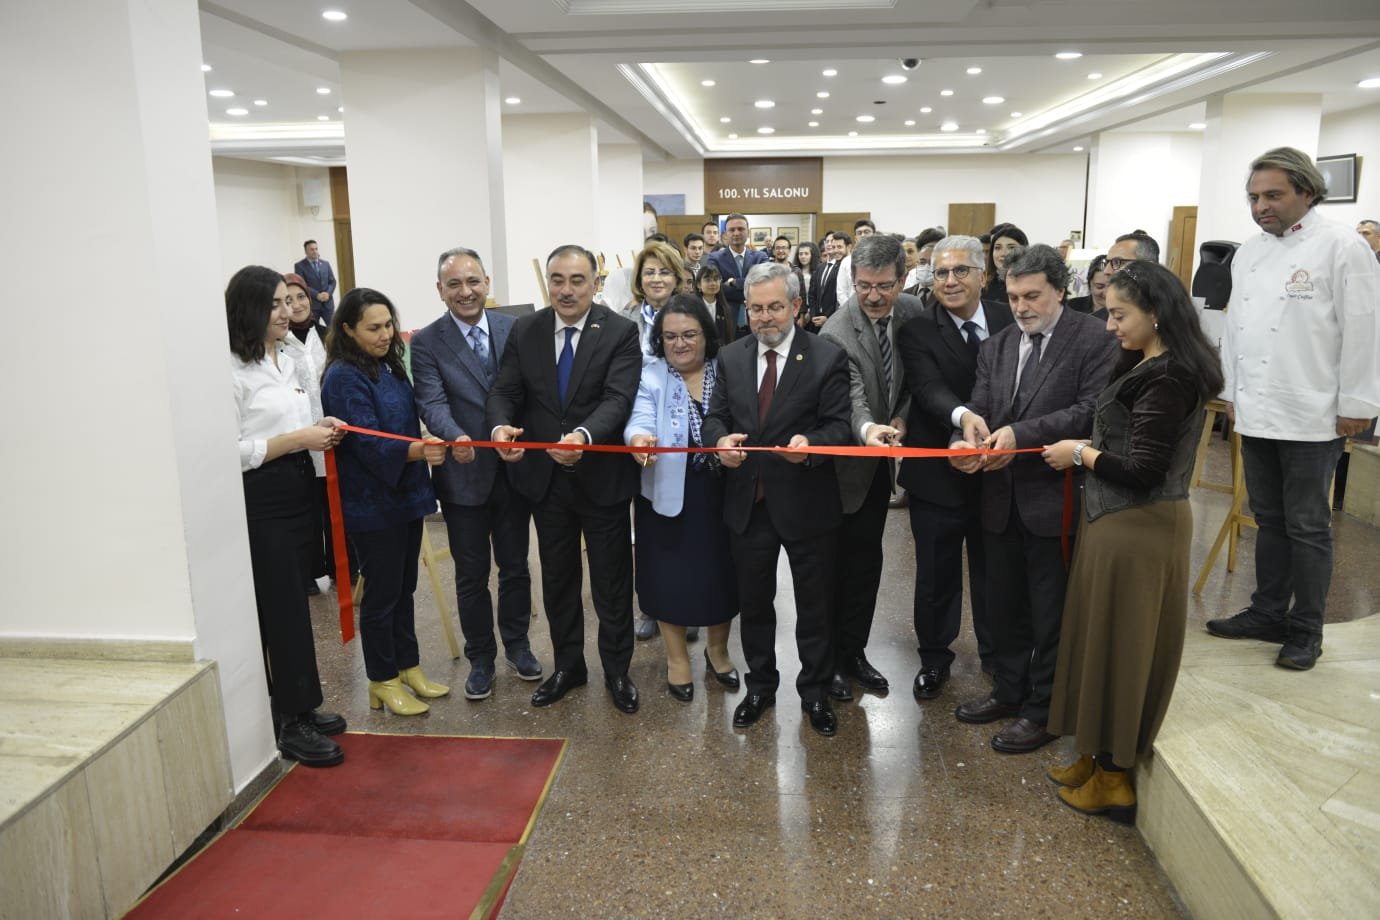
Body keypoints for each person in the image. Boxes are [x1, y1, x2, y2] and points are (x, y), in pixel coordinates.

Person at [1041, 261, 1224, 819]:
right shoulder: (1148, 361)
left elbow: (1145, 468)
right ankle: (1094, 755)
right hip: (1115, 523)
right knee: (1101, 641)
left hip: (1141, 527)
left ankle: (1115, 776)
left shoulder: (1171, 376)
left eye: (1119, 314)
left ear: (1156, 312)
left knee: (1125, 650)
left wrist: (1079, 454)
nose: (1109, 325)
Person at [1206, 147, 1380, 670]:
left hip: (1316, 410)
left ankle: (1306, 628)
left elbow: (1365, 331)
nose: (1261, 206)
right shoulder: (1249, 253)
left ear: (1307, 191)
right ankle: (1266, 611)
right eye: (1254, 197)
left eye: (1273, 195)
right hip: (1258, 408)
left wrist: (1358, 404)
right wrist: (1234, 394)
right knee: (1269, 517)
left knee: (1308, 525)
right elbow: (1237, 331)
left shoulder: (1344, 247)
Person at [949, 244, 1119, 754]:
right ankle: (1008, 690)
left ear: (1061, 291)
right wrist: (968, 443)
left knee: (1052, 613)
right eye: (1014, 296)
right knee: (1003, 606)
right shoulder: (997, 346)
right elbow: (982, 409)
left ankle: (1045, 710)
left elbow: (1090, 410)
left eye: (1033, 296)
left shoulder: (1093, 338)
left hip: (1055, 500)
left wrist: (1016, 436)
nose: (1021, 307)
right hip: (999, 498)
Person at [486, 245, 644, 713]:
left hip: (601, 479)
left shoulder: (620, 331)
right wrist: (498, 428)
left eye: (578, 280)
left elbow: (618, 398)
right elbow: (505, 390)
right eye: (558, 279)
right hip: (544, 482)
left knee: (611, 583)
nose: (566, 289)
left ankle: (617, 671)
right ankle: (568, 666)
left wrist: (582, 435)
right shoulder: (527, 329)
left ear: (595, 283)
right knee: (557, 580)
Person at [702, 262, 853, 737]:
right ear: (745, 309)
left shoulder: (827, 356)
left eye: (774, 307)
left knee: (815, 605)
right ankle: (761, 687)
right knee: (755, 604)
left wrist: (810, 447)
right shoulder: (729, 357)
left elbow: (839, 428)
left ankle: (815, 692)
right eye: (756, 308)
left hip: (807, 502)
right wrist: (720, 444)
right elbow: (715, 418)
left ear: (795, 306)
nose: (765, 318)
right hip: (749, 503)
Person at [228, 265, 346, 766]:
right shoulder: (231, 370)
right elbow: (229, 451)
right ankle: (289, 721)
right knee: (280, 612)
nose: (286, 311)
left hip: (297, 483)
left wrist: (317, 427)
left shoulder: (288, 356)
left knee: (298, 608)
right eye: (273, 304)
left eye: (287, 301)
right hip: (262, 494)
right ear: (247, 310)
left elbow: (292, 420)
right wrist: (298, 439)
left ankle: (302, 703)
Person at [411, 247, 541, 702]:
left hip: (513, 471)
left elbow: (529, 391)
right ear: (440, 290)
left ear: (487, 281)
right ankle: (481, 657)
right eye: (454, 285)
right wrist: (456, 437)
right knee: (470, 575)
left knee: (515, 568)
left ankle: (519, 646)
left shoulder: (516, 329)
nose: (465, 292)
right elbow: (431, 402)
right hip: (464, 475)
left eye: (472, 282)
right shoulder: (426, 342)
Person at [321, 288, 451, 716]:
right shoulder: (343, 376)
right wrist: (420, 450)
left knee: (405, 589)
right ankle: (382, 679)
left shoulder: (391, 365)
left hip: (406, 495)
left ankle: (407, 666)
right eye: (373, 328)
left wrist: (426, 441)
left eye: (388, 325)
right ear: (347, 330)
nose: (384, 334)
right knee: (381, 596)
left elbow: (407, 421)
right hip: (371, 503)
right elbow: (369, 441)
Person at [897, 236, 1015, 701]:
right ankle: (933, 658)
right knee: (935, 574)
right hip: (937, 474)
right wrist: (964, 420)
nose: (949, 281)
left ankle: (996, 655)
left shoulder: (1009, 320)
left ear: (983, 276)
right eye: (941, 272)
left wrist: (996, 436)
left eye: (961, 271)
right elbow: (928, 389)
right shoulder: (918, 331)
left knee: (995, 570)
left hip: (999, 470)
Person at [819, 234, 923, 700]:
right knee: (834, 568)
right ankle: (831, 662)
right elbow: (853, 398)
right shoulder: (837, 332)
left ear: (903, 279)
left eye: (884, 285)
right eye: (865, 286)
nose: (875, 296)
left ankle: (856, 652)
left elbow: (916, 378)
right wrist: (871, 430)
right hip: (844, 471)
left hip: (880, 471)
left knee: (866, 563)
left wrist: (901, 417)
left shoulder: (915, 314)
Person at [625, 295, 741, 701]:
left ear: (706, 336)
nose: (680, 343)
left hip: (721, 493)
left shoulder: (727, 368)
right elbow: (638, 416)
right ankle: (676, 659)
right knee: (668, 578)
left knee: (722, 575)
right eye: (670, 336)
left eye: (689, 334)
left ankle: (719, 651)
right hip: (667, 495)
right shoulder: (650, 373)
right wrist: (638, 438)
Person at [279, 272, 332, 595]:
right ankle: (312, 572)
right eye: (288, 299)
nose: (296, 305)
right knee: (308, 506)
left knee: (335, 505)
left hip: (330, 433)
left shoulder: (326, 335)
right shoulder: (278, 344)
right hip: (297, 438)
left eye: (300, 297)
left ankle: (345, 568)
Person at [706, 213, 770, 338]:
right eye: (732, 230)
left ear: (748, 232)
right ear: (725, 234)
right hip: (726, 324)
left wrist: (735, 283)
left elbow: (764, 285)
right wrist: (751, 287)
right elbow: (717, 289)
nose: (736, 233)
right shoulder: (714, 259)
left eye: (741, 229)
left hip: (758, 323)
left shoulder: (760, 257)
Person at [623, 240, 689, 360]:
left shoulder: (691, 317)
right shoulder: (624, 318)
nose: (656, 279)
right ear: (639, 280)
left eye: (664, 272)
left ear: (677, 280)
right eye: (649, 273)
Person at [806, 232, 848, 333]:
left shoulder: (843, 266)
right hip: (816, 321)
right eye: (827, 241)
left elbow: (840, 298)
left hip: (834, 322)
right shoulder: (820, 267)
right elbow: (812, 294)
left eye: (832, 241)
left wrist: (828, 318)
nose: (829, 244)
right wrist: (813, 315)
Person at [981, 223, 1028, 310]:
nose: (1003, 253)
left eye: (1011, 247)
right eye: (998, 248)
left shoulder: (1033, 283)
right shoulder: (983, 286)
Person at [294, 239, 337, 325]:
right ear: (306, 251)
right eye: (312, 249)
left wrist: (328, 293)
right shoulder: (299, 266)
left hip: (328, 304)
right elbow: (301, 284)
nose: (315, 251)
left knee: (334, 328)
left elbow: (332, 282)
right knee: (314, 330)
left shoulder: (325, 264)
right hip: (313, 305)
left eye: (316, 249)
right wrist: (316, 295)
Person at [835, 219, 876, 308]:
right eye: (859, 233)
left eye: (867, 232)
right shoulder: (846, 261)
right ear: (855, 238)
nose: (863, 235)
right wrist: (850, 309)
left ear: (874, 235)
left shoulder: (883, 259)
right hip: (852, 309)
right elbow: (841, 291)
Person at [696, 264, 735, 346]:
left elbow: (728, 337)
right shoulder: (693, 306)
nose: (713, 283)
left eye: (716, 279)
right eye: (708, 280)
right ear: (698, 284)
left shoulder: (725, 308)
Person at [792, 240, 821, 325]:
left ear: (812, 255)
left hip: (813, 312)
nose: (803, 256)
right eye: (800, 254)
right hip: (797, 311)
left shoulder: (818, 272)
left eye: (806, 254)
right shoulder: (794, 271)